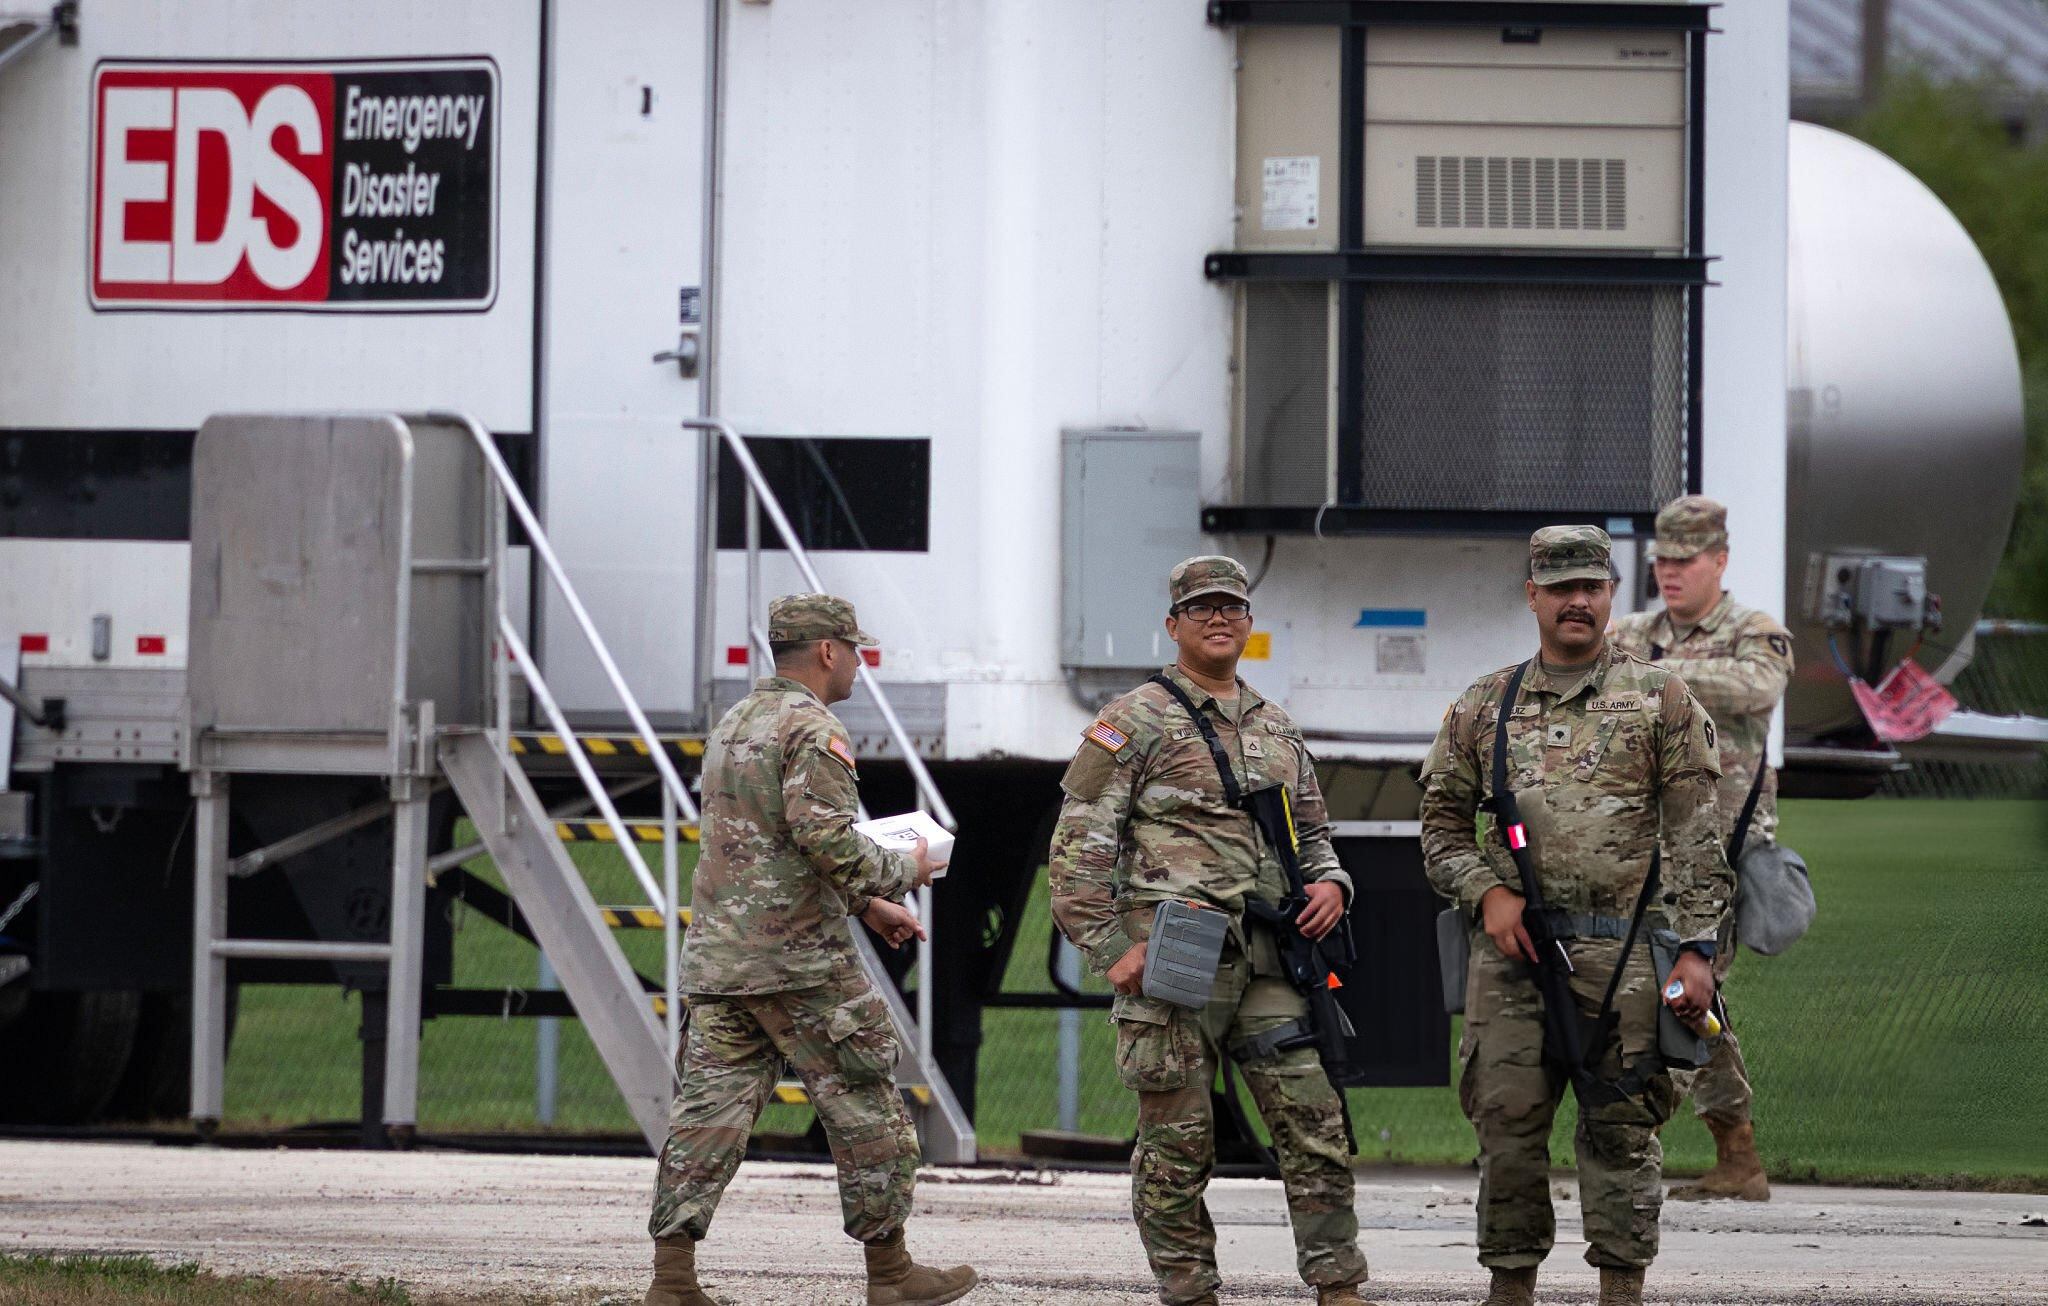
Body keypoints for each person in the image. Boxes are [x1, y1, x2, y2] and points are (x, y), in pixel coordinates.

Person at [1047, 555, 1375, 1306]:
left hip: (1268, 961)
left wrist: (1333, 884)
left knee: (1314, 1123)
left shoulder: (1277, 727)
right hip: (1175, 961)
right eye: (1202, 609)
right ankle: (1188, 1289)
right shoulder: (1133, 720)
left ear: (1249, 623)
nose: (1219, 619)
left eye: (1232, 607)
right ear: (1174, 626)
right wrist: (1109, 948)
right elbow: (1077, 846)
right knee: (1177, 1146)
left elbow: (1315, 836)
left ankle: (1338, 1285)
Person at [1419, 526, 1734, 1306]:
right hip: (1513, 959)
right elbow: (1441, 829)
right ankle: (1510, 1288)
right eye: (1560, 588)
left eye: (1591, 586)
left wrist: (1697, 951)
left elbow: (1698, 834)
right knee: (1508, 1130)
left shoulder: (1659, 699)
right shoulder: (1484, 705)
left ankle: (1621, 1292)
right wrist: (1488, 894)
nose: (1577, 602)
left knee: (1624, 1134)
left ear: (1610, 595)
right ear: (1534, 596)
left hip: (1626, 954)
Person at [642, 593, 978, 1306]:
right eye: (854, 649)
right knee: (868, 1108)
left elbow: (765, 847)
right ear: (828, 651)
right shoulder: (814, 727)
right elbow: (825, 840)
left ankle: (672, 1282)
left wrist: (866, 904)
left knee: (706, 1119)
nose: (859, 662)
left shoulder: (735, 723)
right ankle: (890, 1274)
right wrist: (907, 869)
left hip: (721, 962)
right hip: (800, 964)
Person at [1611, 495, 1793, 1202]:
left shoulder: (1755, 634)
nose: (1671, 573)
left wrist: (1655, 674)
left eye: (1685, 561)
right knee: (1696, 995)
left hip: (1717, 854)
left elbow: (1757, 689)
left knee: (1679, 992)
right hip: (1642, 847)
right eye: (1661, 560)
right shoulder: (1632, 630)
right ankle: (1738, 1156)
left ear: (1719, 560)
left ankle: (1628, 1146)